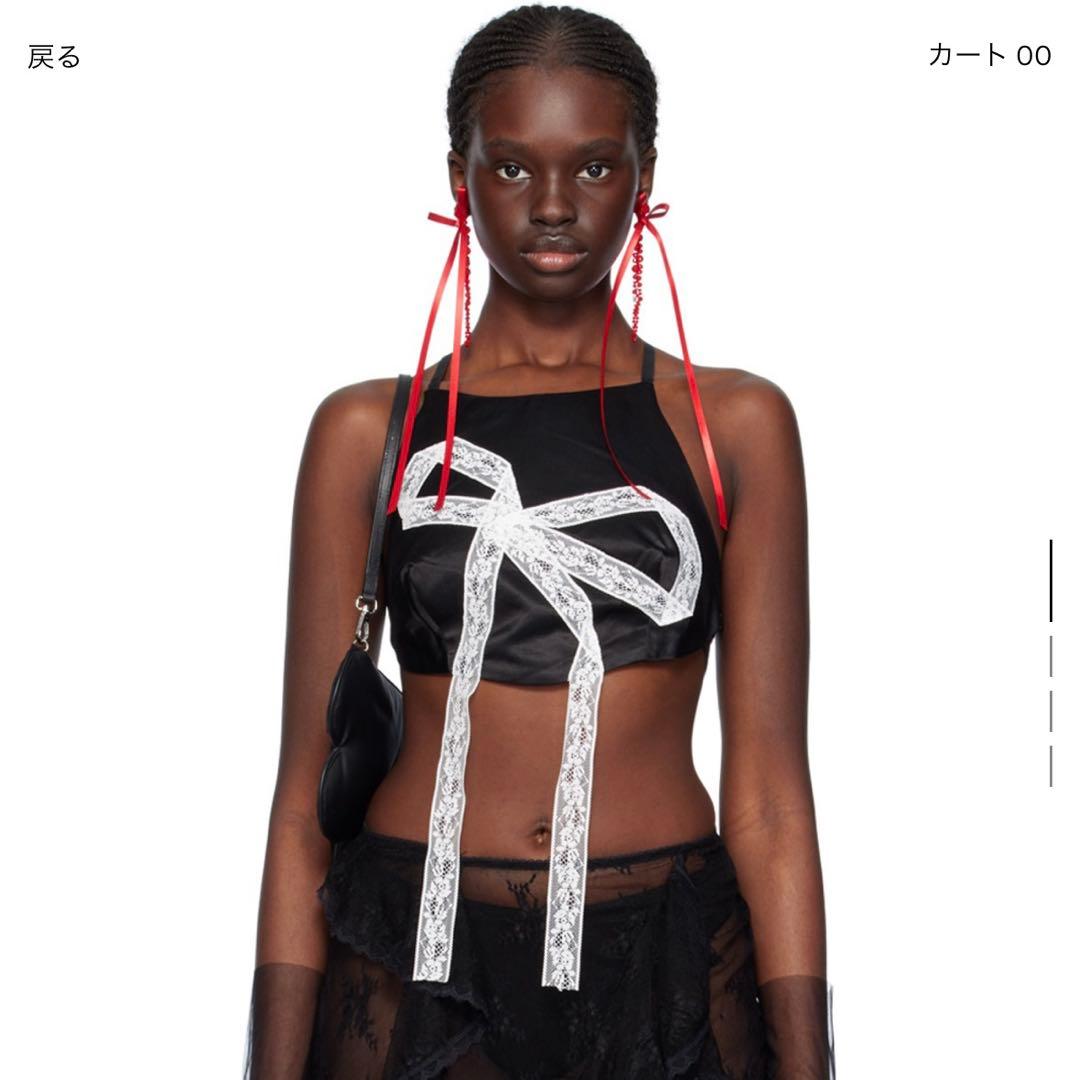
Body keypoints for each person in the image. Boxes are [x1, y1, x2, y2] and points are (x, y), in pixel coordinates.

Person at [244, 5, 835, 1077]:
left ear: (645, 175)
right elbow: (302, 803)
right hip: (415, 954)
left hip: (664, 955)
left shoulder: (736, 426)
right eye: (513, 167)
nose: (554, 205)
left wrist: (811, 1064)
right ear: (460, 175)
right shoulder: (366, 431)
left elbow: (770, 796)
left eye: (594, 166)